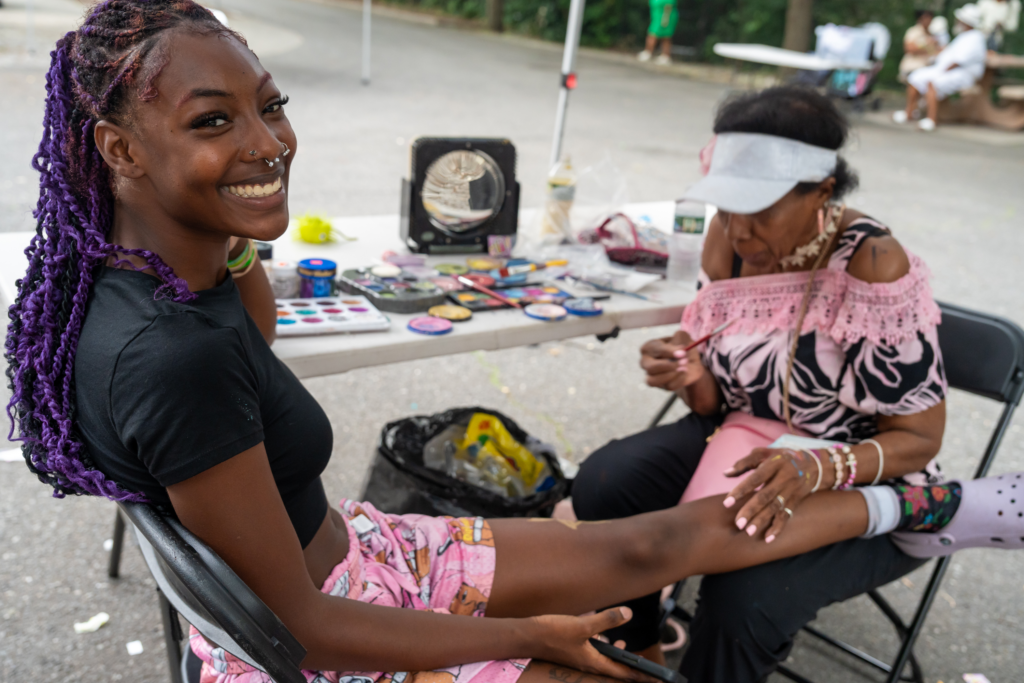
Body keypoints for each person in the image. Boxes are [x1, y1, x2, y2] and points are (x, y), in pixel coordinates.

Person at [7, 5, 1022, 683]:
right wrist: (520, 639)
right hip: (327, 627)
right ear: (120, 149)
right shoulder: (165, 353)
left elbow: (255, 355)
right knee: (627, 571)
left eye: (272, 106)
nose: (270, 141)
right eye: (215, 119)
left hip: (360, 557)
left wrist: (229, 227)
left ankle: (917, 502)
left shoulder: (141, 282)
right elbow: (307, 628)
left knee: (635, 543)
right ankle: (920, 505)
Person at [570, 84, 993, 683]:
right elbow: (716, 399)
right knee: (607, 485)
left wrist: (816, 469)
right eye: (727, 208)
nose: (740, 233)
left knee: (745, 597)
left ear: (822, 193)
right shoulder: (731, 245)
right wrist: (690, 372)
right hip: (742, 437)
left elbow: (918, 440)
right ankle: (641, 651)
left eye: (761, 210)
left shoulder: (871, 262)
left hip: (858, 472)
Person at [894, 4, 989, 131]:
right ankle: (909, 112)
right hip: (945, 69)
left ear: (966, 22)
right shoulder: (963, 36)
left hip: (962, 73)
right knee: (914, 77)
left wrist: (942, 71)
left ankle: (931, 120)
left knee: (933, 82)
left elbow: (958, 61)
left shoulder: (975, 38)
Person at [899, 10, 941, 82]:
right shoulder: (914, 31)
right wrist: (928, 47)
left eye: (930, 18)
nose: (928, 20)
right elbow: (909, 49)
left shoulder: (932, 34)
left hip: (926, 68)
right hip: (913, 67)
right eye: (926, 18)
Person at [637, 0, 677, 66]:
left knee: (664, 36)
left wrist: (665, 19)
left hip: (665, 18)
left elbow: (668, 6)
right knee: (653, 33)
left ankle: (664, 56)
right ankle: (649, 52)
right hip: (656, 17)